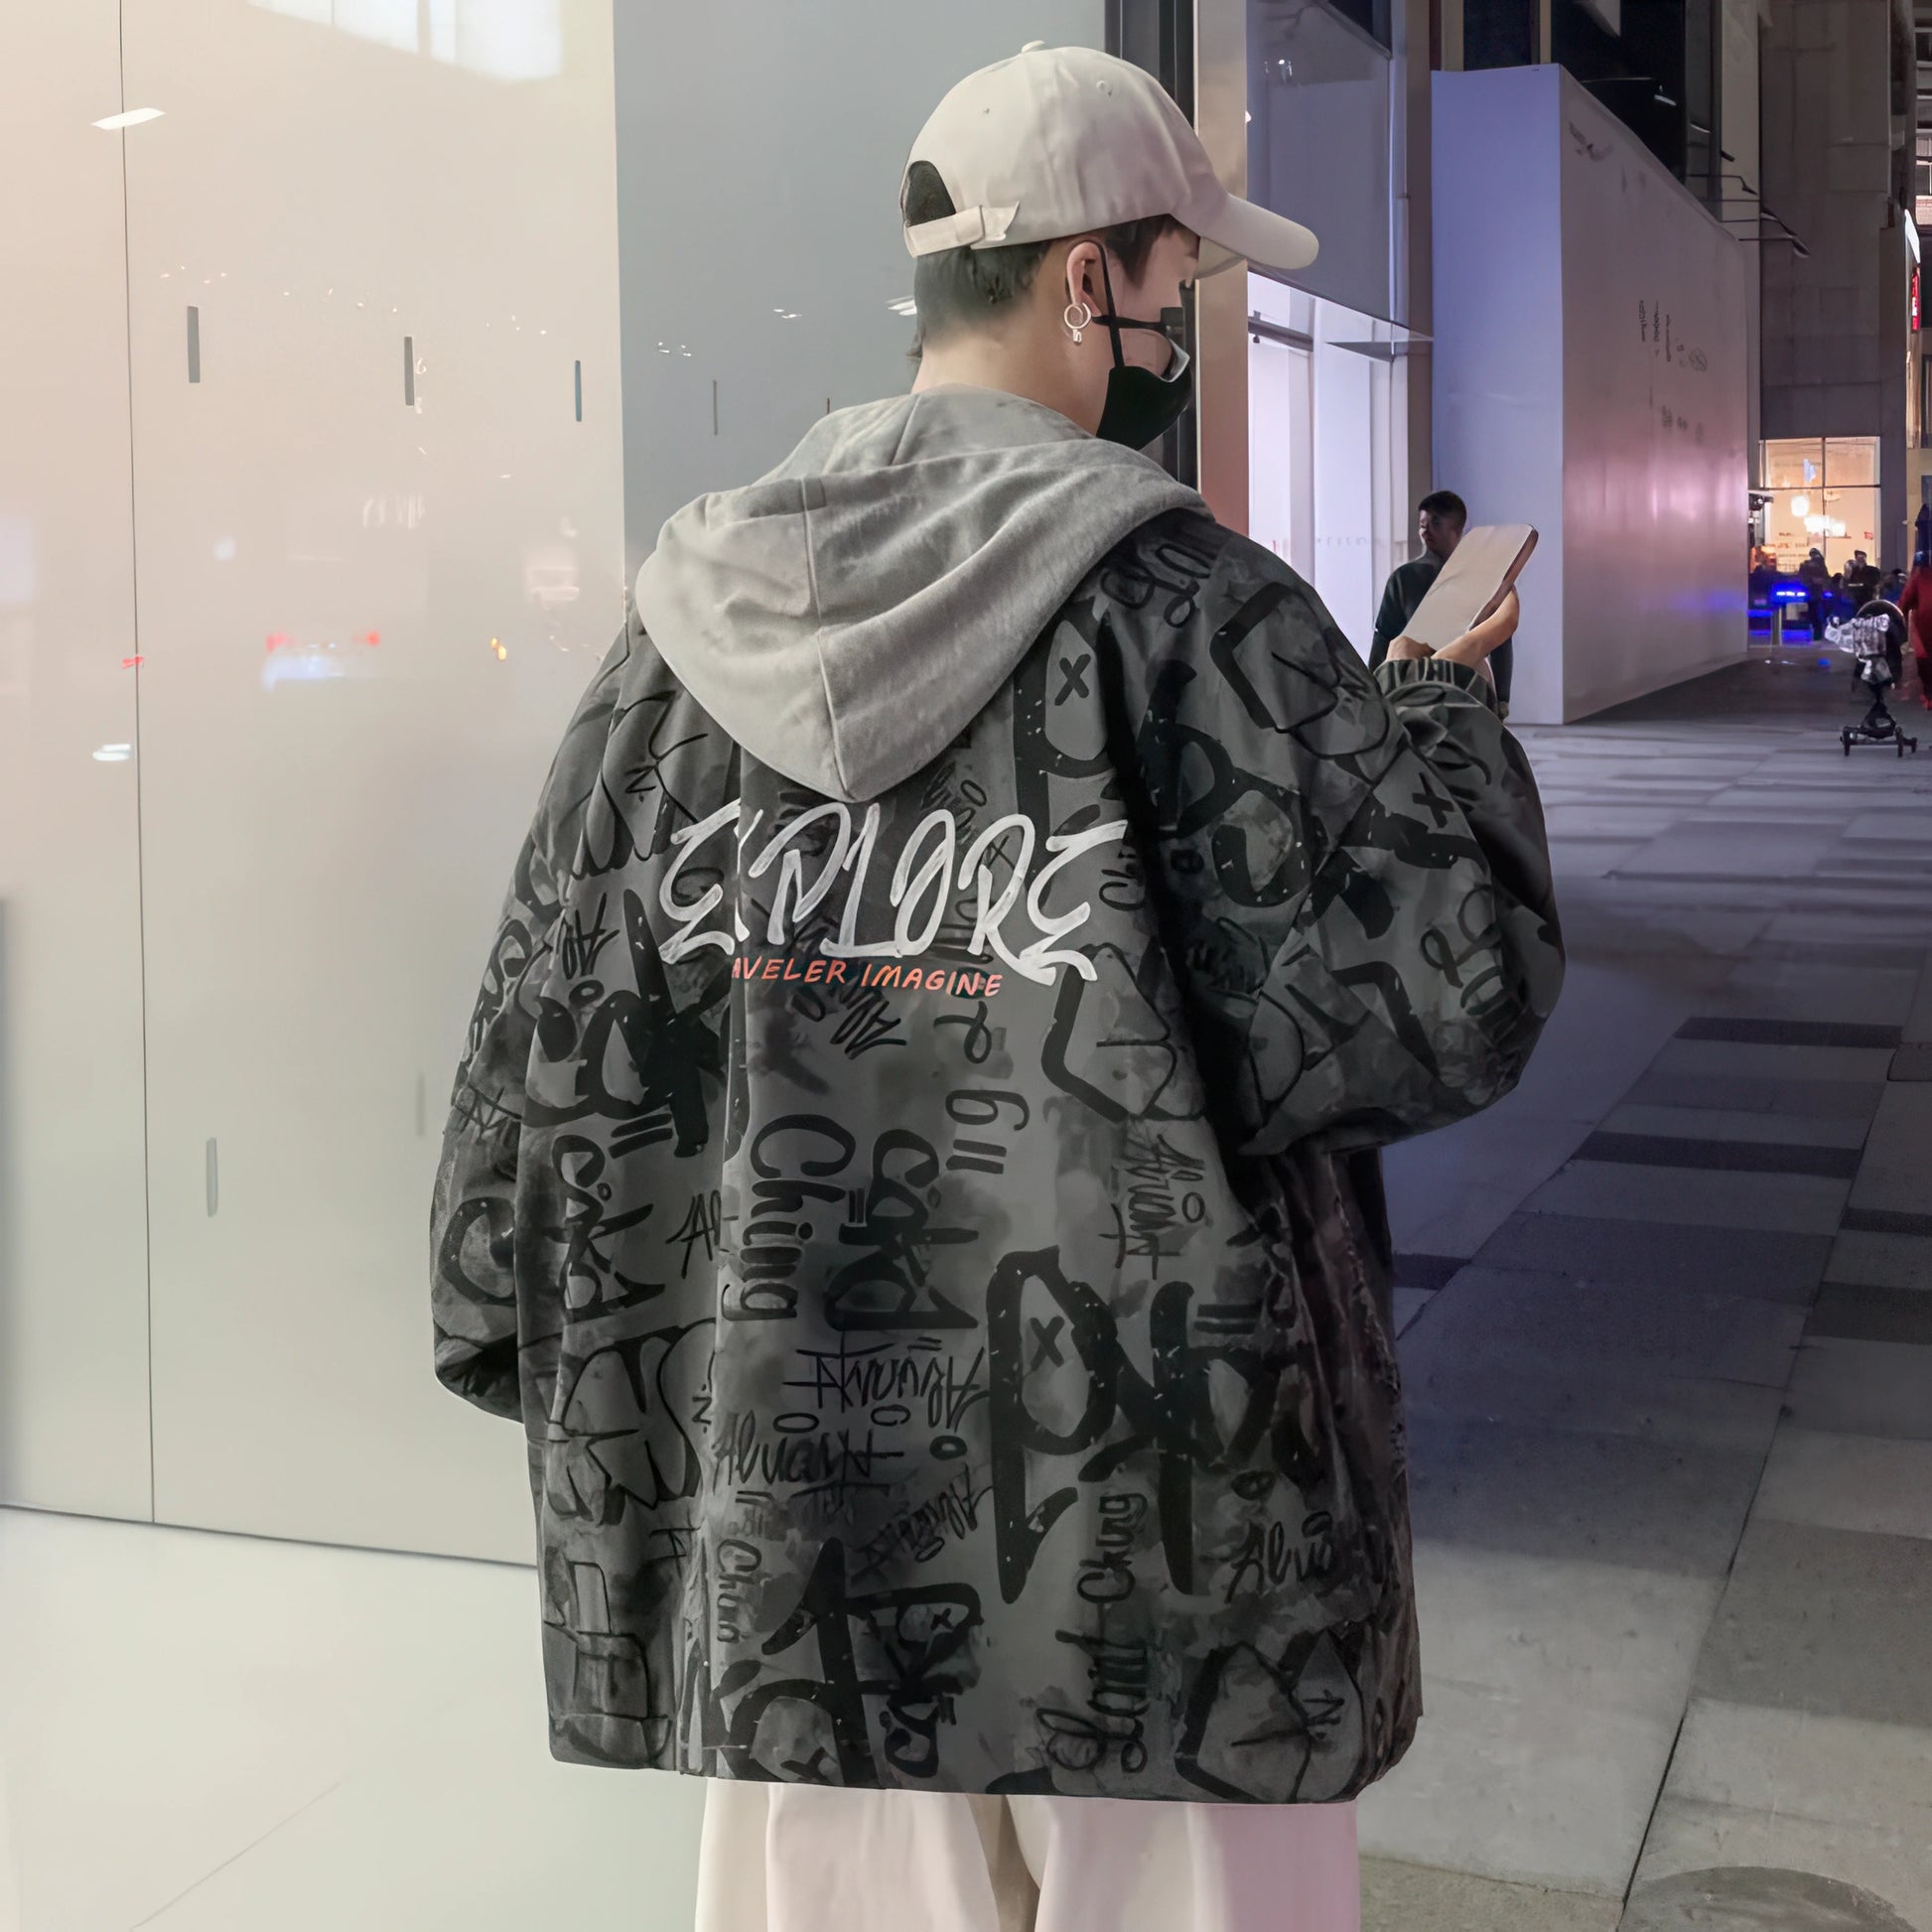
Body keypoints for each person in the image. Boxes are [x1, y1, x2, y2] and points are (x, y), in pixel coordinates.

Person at [430, 44, 1563, 1932]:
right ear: (1085, 279)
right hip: (1168, 1558)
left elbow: (535, 1054)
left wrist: (531, 1329)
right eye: (1179, 280)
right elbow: (1441, 987)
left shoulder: (675, 647)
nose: (1182, 329)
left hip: (794, 1567)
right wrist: (1439, 710)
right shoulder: (1196, 618)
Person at [1368, 490, 1514, 716]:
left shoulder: (1480, 578)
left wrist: (1502, 699)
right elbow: (1384, 638)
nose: (1426, 530)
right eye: (1422, 524)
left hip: (1469, 681)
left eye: (1435, 522)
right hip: (1413, 684)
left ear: (1456, 529)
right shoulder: (1403, 579)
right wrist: (1372, 692)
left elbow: (1500, 642)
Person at [1895, 550, 1932, 708]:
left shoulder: (1919, 575)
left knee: (1925, 659)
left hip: (1924, 624)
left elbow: (1905, 601)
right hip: (1924, 622)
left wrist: (1899, 617)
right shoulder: (1919, 576)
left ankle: (1929, 694)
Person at [1798, 547, 1831, 639]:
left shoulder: (1819, 565)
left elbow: (1826, 578)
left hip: (1818, 594)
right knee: (1815, 615)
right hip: (1814, 593)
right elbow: (1803, 578)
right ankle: (1818, 633)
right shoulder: (1807, 565)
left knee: (1818, 615)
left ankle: (1818, 633)